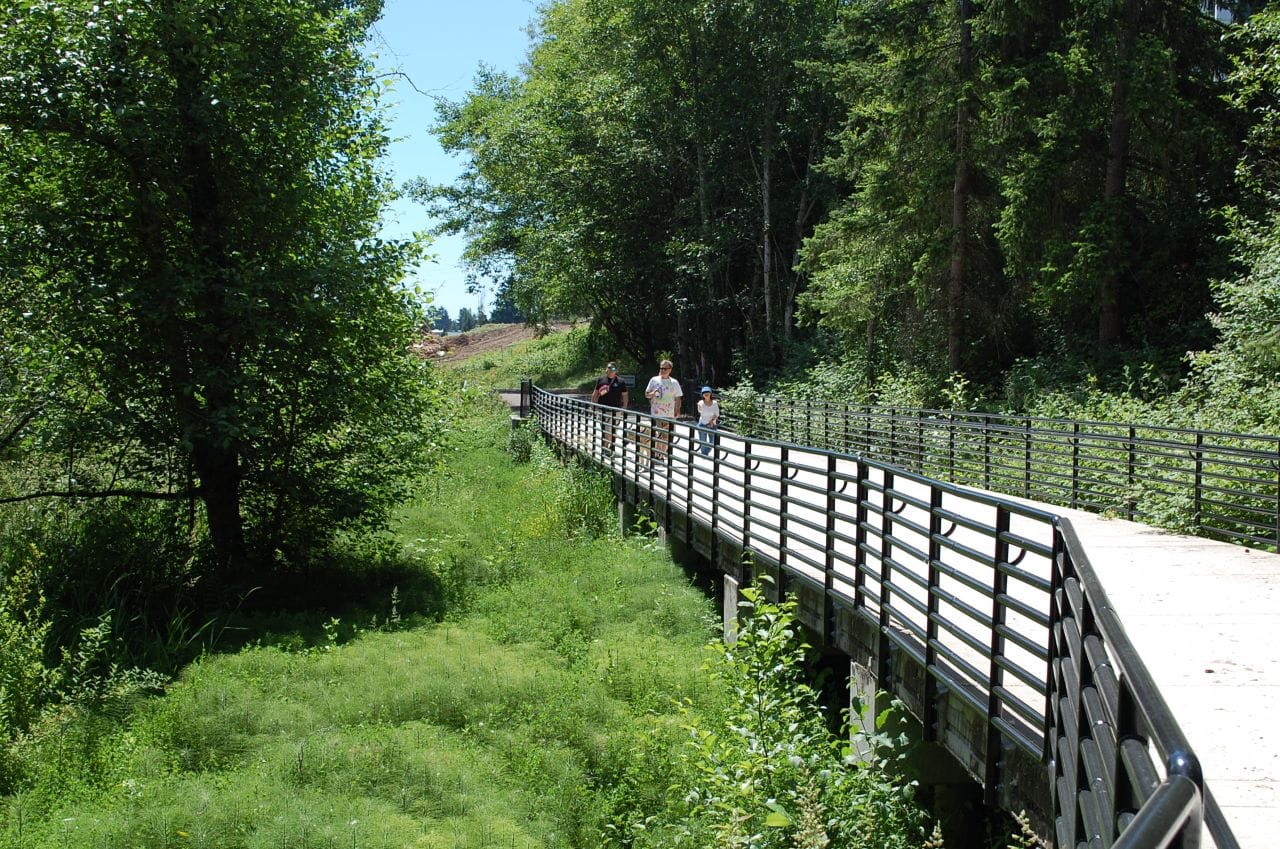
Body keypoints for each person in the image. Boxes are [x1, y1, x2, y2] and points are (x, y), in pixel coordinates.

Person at [643, 359, 683, 463]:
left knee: (666, 436)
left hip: (669, 414)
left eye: (665, 368)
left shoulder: (674, 382)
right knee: (657, 435)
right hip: (656, 414)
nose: (662, 370)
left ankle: (660, 455)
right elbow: (646, 394)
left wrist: (677, 410)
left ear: (670, 370)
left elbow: (678, 397)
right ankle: (656, 455)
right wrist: (652, 393)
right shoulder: (654, 380)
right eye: (661, 368)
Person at [590, 361, 629, 454]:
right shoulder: (601, 380)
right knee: (606, 430)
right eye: (609, 368)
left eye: (613, 368)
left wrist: (624, 408)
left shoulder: (621, 381)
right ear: (606, 369)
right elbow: (595, 394)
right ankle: (607, 449)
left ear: (616, 370)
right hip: (602, 409)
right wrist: (592, 407)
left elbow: (625, 395)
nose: (610, 370)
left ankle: (608, 448)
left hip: (616, 410)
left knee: (613, 430)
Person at [696, 385, 719, 456]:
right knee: (703, 443)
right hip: (703, 424)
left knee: (712, 442)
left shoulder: (714, 403)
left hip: (712, 425)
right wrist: (699, 406)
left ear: (710, 393)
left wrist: (712, 422)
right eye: (704, 392)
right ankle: (704, 454)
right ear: (702, 394)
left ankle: (705, 453)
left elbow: (717, 414)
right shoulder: (701, 403)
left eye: (707, 392)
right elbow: (700, 412)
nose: (706, 394)